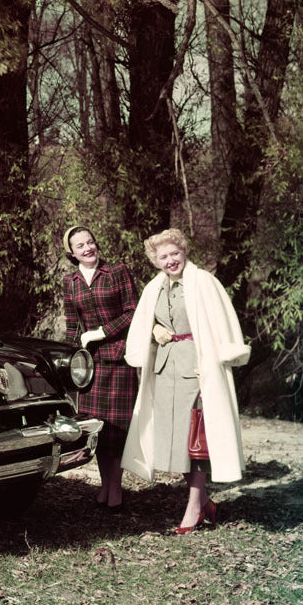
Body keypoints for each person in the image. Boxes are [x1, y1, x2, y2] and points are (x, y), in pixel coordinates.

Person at [122, 228, 250, 534]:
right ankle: (203, 501)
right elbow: (144, 321)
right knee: (175, 441)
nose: (170, 261)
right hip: (165, 371)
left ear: (184, 252)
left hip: (196, 369)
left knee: (197, 441)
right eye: (163, 256)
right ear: (155, 260)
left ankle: (193, 507)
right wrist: (153, 330)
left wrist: (209, 363)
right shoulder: (154, 287)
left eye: (174, 254)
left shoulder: (202, 281)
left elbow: (219, 322)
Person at [62, 225, 139, 511]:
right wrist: (69, 361)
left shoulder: (117, 271)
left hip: (120, 359)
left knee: (118, 429)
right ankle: (104, 486)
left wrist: (102, 332)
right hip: (91, 366)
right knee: (99, 429)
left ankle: (115, 489)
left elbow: (133, 311)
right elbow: (72, 326)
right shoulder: (70, 283)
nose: (87, 248)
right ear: (72, 253)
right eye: (80, 246)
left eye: (90, 242)